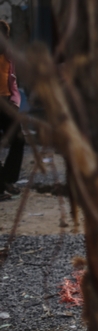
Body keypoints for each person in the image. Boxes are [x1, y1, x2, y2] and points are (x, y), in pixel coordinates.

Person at [0, 21, 23, 199]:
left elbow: (13, 81)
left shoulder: (9, 55)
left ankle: (7, 179)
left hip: (7, 103)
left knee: (18, 140)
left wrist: (15, 101)